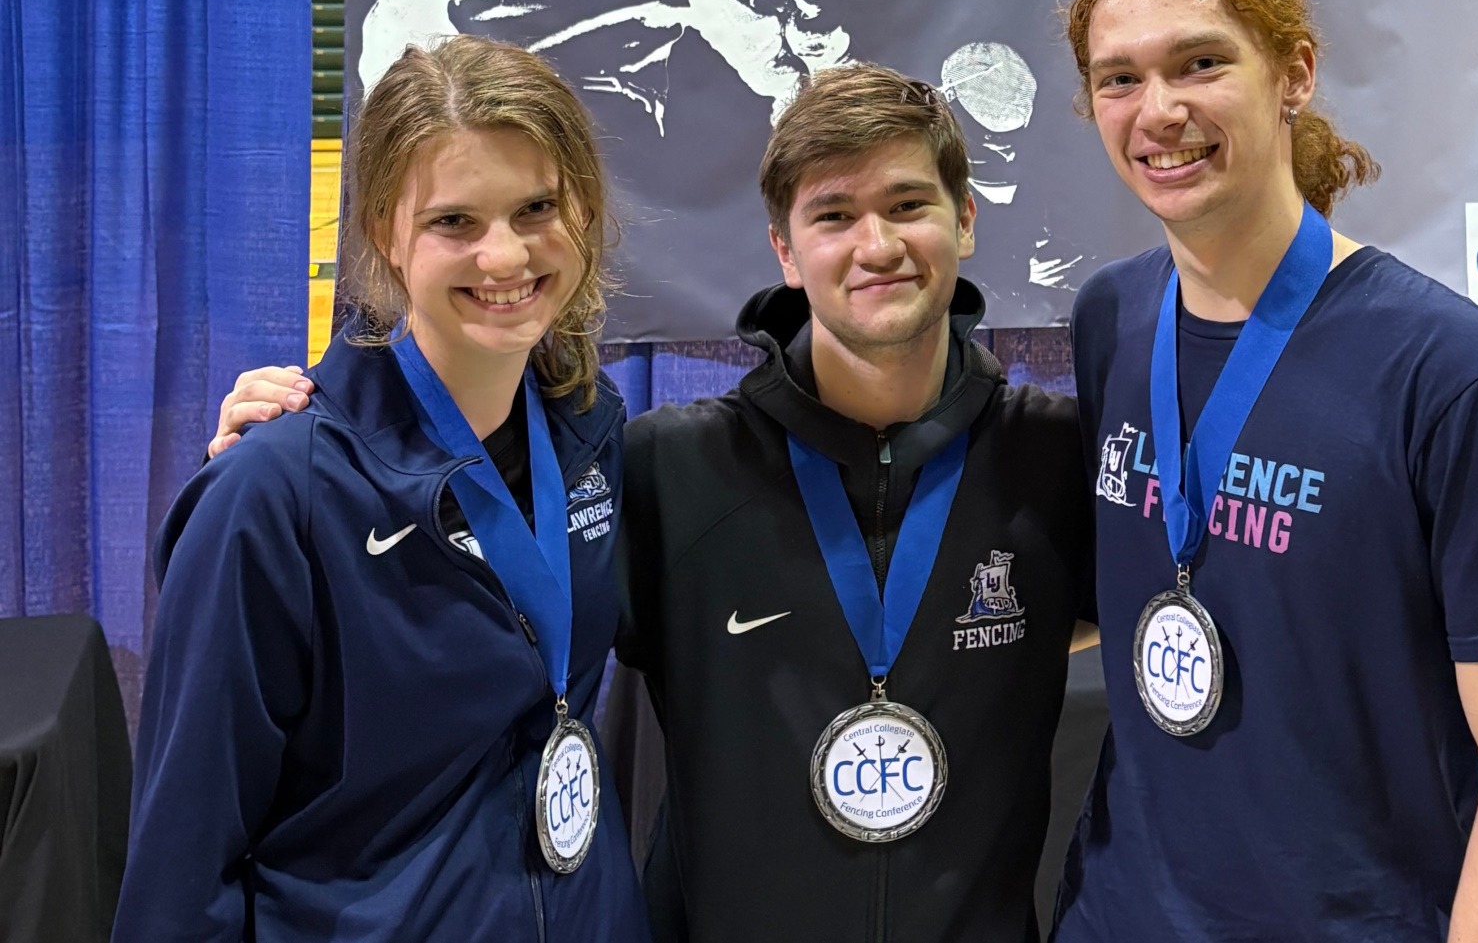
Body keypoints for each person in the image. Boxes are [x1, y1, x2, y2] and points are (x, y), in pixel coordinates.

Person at [211, 63, 1096, 942]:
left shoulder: (1056, 457)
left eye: (907, 205)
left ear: (966, 220)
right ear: (784, 249)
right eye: (832, 214)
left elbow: (1151, 588)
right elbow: (471, 594)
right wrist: (303, 439)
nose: (876, 245)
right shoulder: (670, 468)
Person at [1052, 0, 1478, 942]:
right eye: (1119, 79)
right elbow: (1113, 591)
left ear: (1293, 72)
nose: (1159, 111)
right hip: (1116, 914)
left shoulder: (1459, 374)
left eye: (1201, 63)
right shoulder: (1111, 317)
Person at [119, 36, 647, 941]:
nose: (506, 255)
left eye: (537, 207)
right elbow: (180, 868)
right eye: (454, 222)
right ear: (384, 236)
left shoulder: (594, 439)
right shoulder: (275, 495)